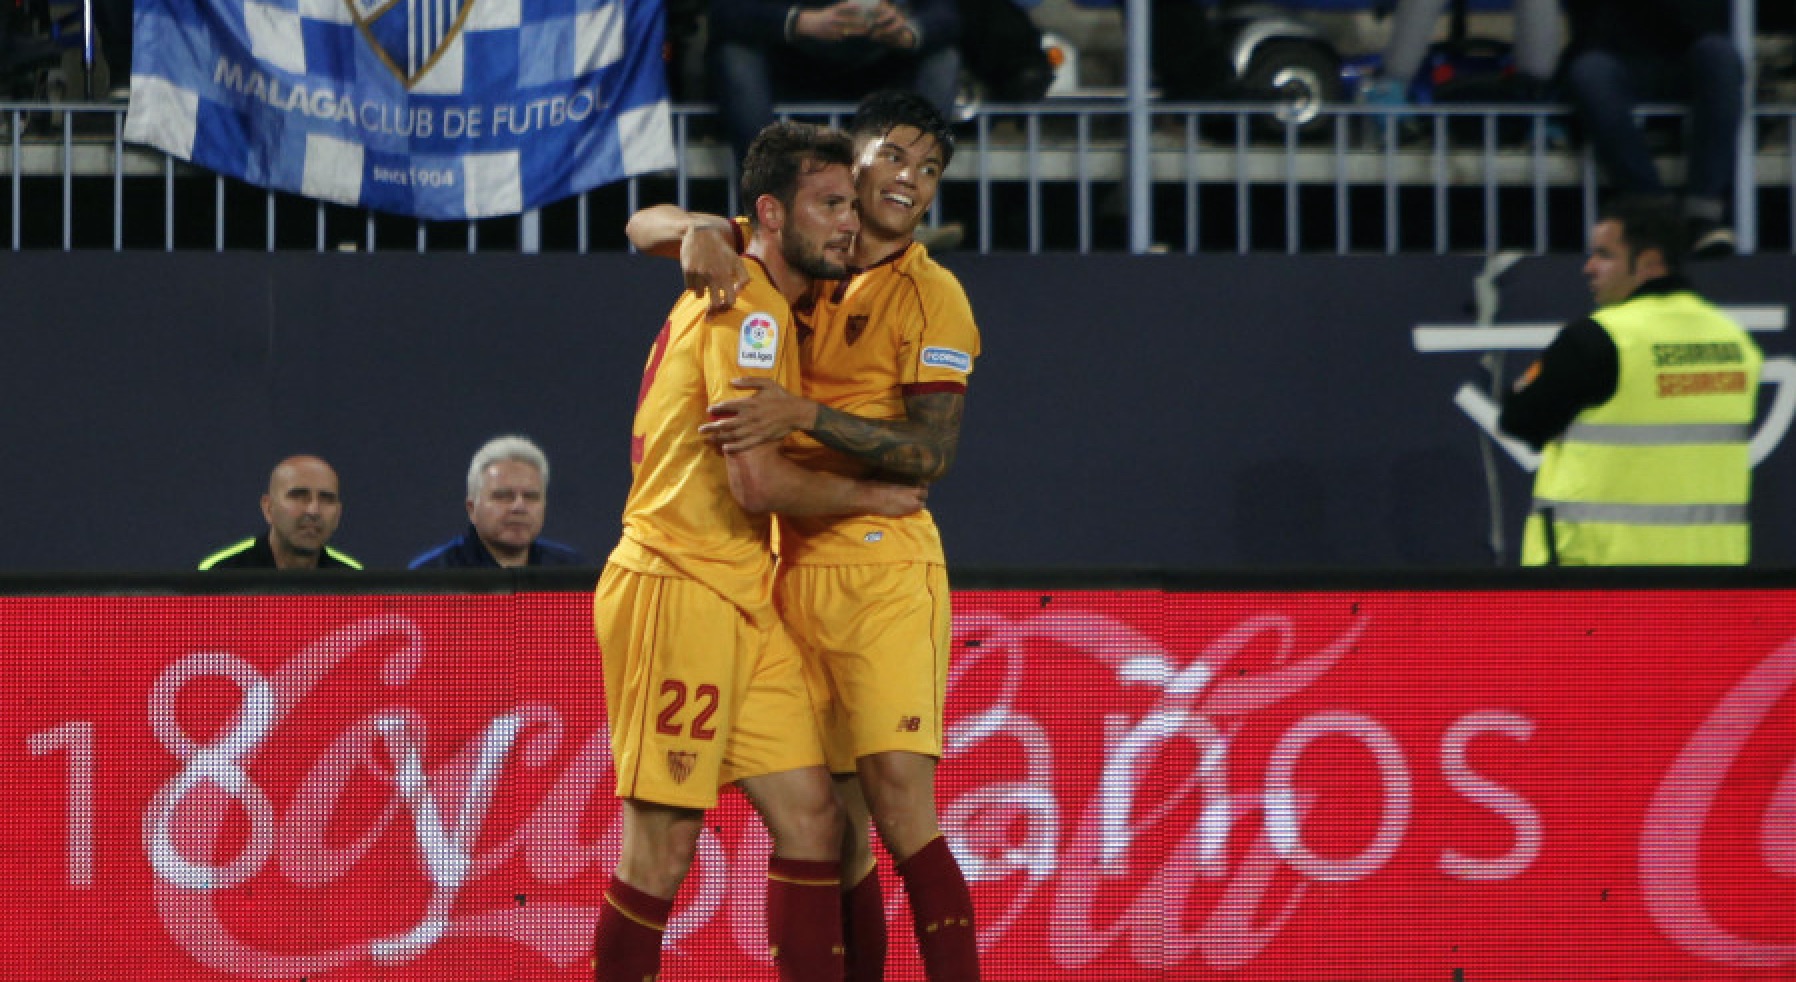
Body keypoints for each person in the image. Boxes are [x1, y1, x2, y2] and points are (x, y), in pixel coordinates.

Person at [626, 89, 981, 982]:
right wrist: (699, 225)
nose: (910, 180)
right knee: (832, 831)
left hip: (870, 565)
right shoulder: (778, 260)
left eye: (930, 169)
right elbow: (641, 221)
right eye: (894, 158)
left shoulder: (928, 295)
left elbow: (929, 454)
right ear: (850, 168)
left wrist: (812, 419)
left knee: (883, 814)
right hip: (761, 567)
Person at [1499, 194, 1761, 565]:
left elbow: (1520, 418)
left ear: (1650, 263)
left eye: (1604, 255)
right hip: (1711, 580)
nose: (1588, 268)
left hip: (1605, 580)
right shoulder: (1735, 342)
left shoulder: (1601, 339)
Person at [1560, 0, 1744, 258]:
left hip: (1686, 53)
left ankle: (1703, 215)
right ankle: (1654, 213)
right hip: (1612, 55)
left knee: (1720, 55)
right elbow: (1588, 25)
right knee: (1590, 72)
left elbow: (1709, 19)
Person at [706, 0, 960, 168]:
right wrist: (801, 21)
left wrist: (906, 32)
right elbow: (724, 11)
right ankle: (770, 204)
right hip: (788, 73)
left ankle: (902, 202)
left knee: (944, 58)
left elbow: (948, 14)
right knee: (735, 54)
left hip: (879, 73)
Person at [409, 435, 587, 568]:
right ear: (472, 509)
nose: (519, 507)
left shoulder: (570, 570)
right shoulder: (433, 574)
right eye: (503, 496)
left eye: (531, 496)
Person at [199, 455, 363, 569]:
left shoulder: (354, 584)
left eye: (327, 499)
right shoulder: (221, 576)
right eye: (299, 496)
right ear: (268, 508)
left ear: (338, 514)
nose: (313, 510)